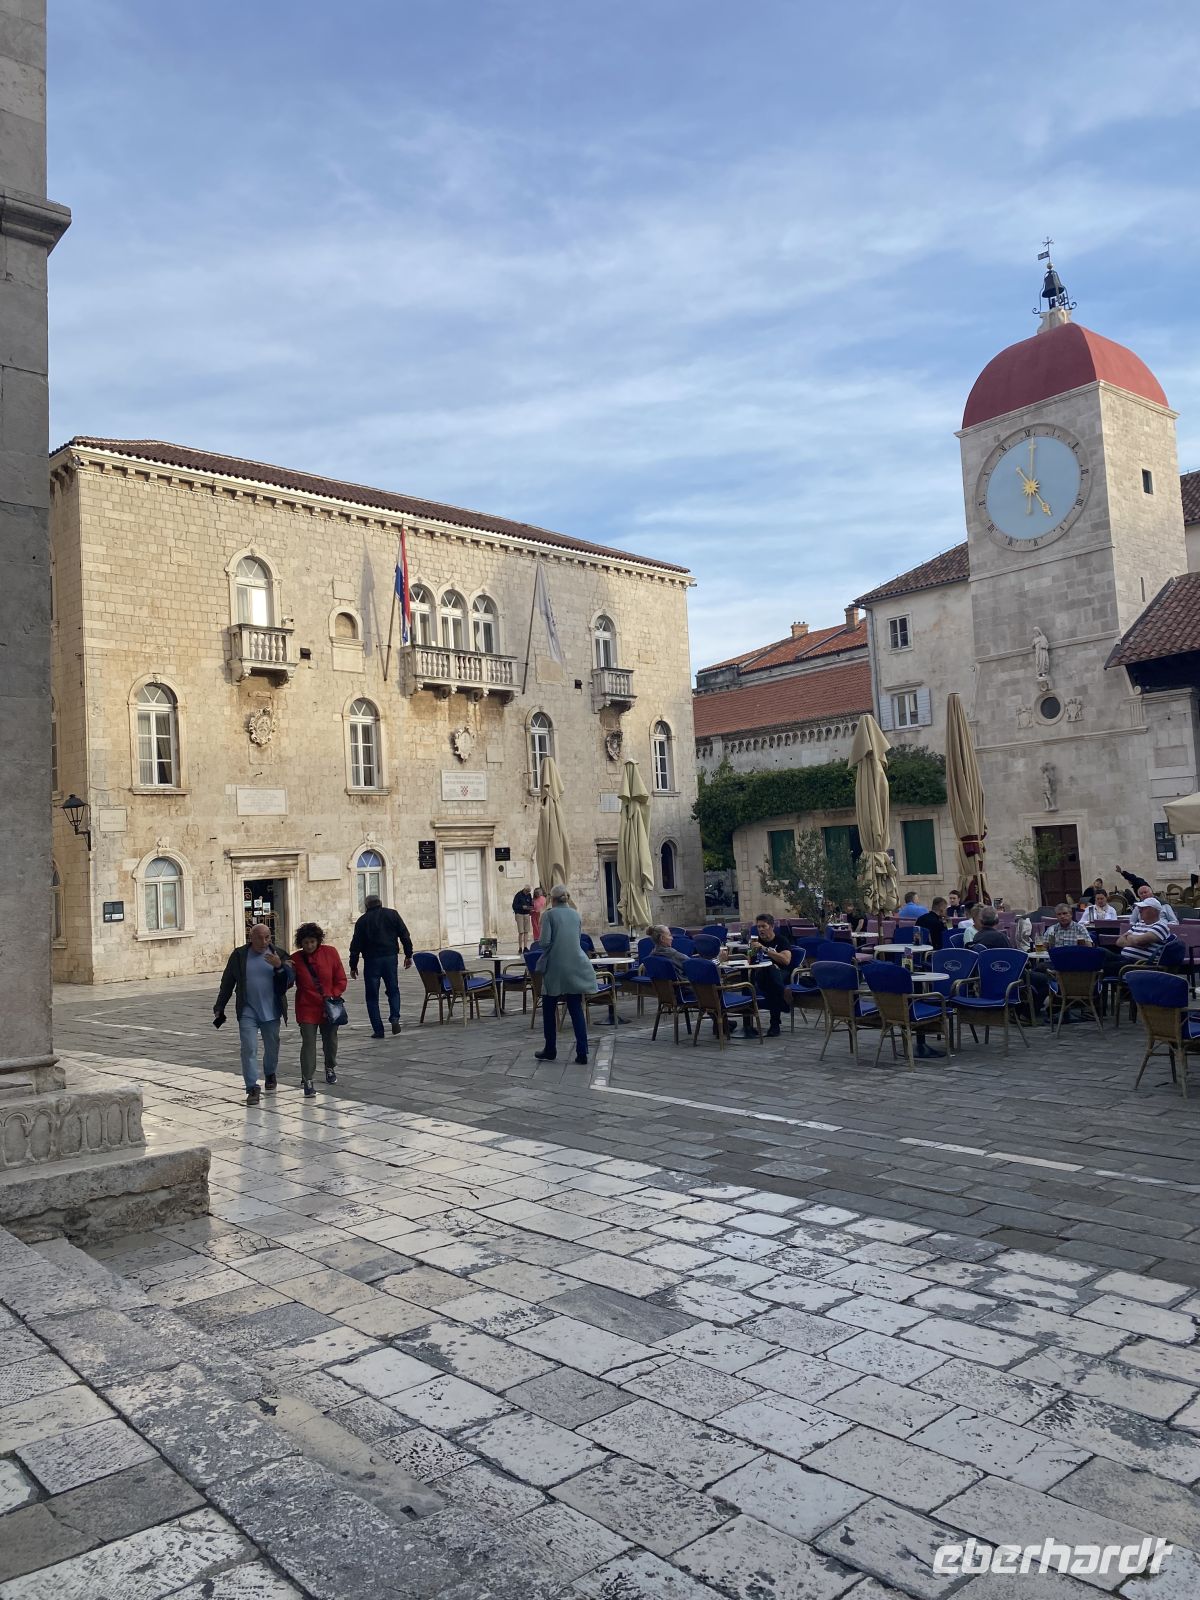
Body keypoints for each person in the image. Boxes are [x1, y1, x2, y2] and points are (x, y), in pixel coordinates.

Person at [214, 923, 294, 1106]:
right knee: (248, 1048)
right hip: (247, 1009)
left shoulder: (279, 954)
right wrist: (220, 1006)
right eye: (259, 938)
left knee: (272, 1047)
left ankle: (270, 1072)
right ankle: (252, 1087)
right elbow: (227, 982)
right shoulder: (239, 955)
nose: (263, 942)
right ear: (251, 938)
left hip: (271, 1010)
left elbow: (289, 982)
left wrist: (279, 967)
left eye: (267, 937)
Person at [534, 883, 598, 1064]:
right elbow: (576, 938)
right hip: (576, 964)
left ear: (552, 899)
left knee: (549, 1007)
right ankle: (582, 1051)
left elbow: (544, 942)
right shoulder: (575, 915)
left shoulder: (549, 915)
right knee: (575, 1008)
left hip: (555, 965)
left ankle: (550, 1048)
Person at [291, 922, 347, 1097]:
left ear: (318, 941)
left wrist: (333, 995)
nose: (309, 946)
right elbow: (287, 981)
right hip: (306, 1006)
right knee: (308, 1042)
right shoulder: (295, 959)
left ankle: (330, 1066)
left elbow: (341, 979)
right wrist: (281, 968)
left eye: (312, 942)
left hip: (328, 1005)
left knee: (330, 1040)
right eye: (306, 942)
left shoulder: (330, 953)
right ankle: (307, 1078)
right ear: (301, 943)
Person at [349, 894, 413, 1039]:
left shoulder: (362, 921)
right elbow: (405, 935)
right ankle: (395, 1018)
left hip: (371, 961)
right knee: (393, 990)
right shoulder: (392, 914)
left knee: (372, 997)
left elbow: (355, 945)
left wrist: (353, 966)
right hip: (390, 957)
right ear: (380, 903)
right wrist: (408, 955)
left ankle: (378, 1030)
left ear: (366, 906)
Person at [745, 913, 793, 1037]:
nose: (760, 929)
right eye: (758, 927)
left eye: (763, 926)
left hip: (780, 974)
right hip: (760, 975)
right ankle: (781, 1006)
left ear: (771, 926)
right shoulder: (755, 941)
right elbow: (750, 962)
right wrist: (751, 951)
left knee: (771, 972)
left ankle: (767, 1025)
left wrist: (765, 949)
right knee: (768, 973)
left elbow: (786, 960)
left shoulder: (781, 940)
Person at [1100, 902, 1172, 975]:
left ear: (1155, 911)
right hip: (1123, 958)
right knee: (1099, 952)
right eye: (1140, 908)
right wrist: (1135, 942)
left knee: (1102, 967)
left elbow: (1138, 941)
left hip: (1138, 965)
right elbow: (1119, 942)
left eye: (1144, 908)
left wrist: (1129, 937)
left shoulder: (1161, 927)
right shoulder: (1138, 924)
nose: (1140, 910)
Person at [512, 885, 534, 953]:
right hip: (519, 914)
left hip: (526, 914)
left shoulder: (529, 895)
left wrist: (530, 907)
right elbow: (514, 906)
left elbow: (531, 904)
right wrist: (522, 907)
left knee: (526, 931)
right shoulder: (518, 895)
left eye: (529, 891)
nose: (528, 893)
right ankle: (520, 947)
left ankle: (525, 947)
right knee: (521, 932)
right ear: (524, 889)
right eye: (527, 891)